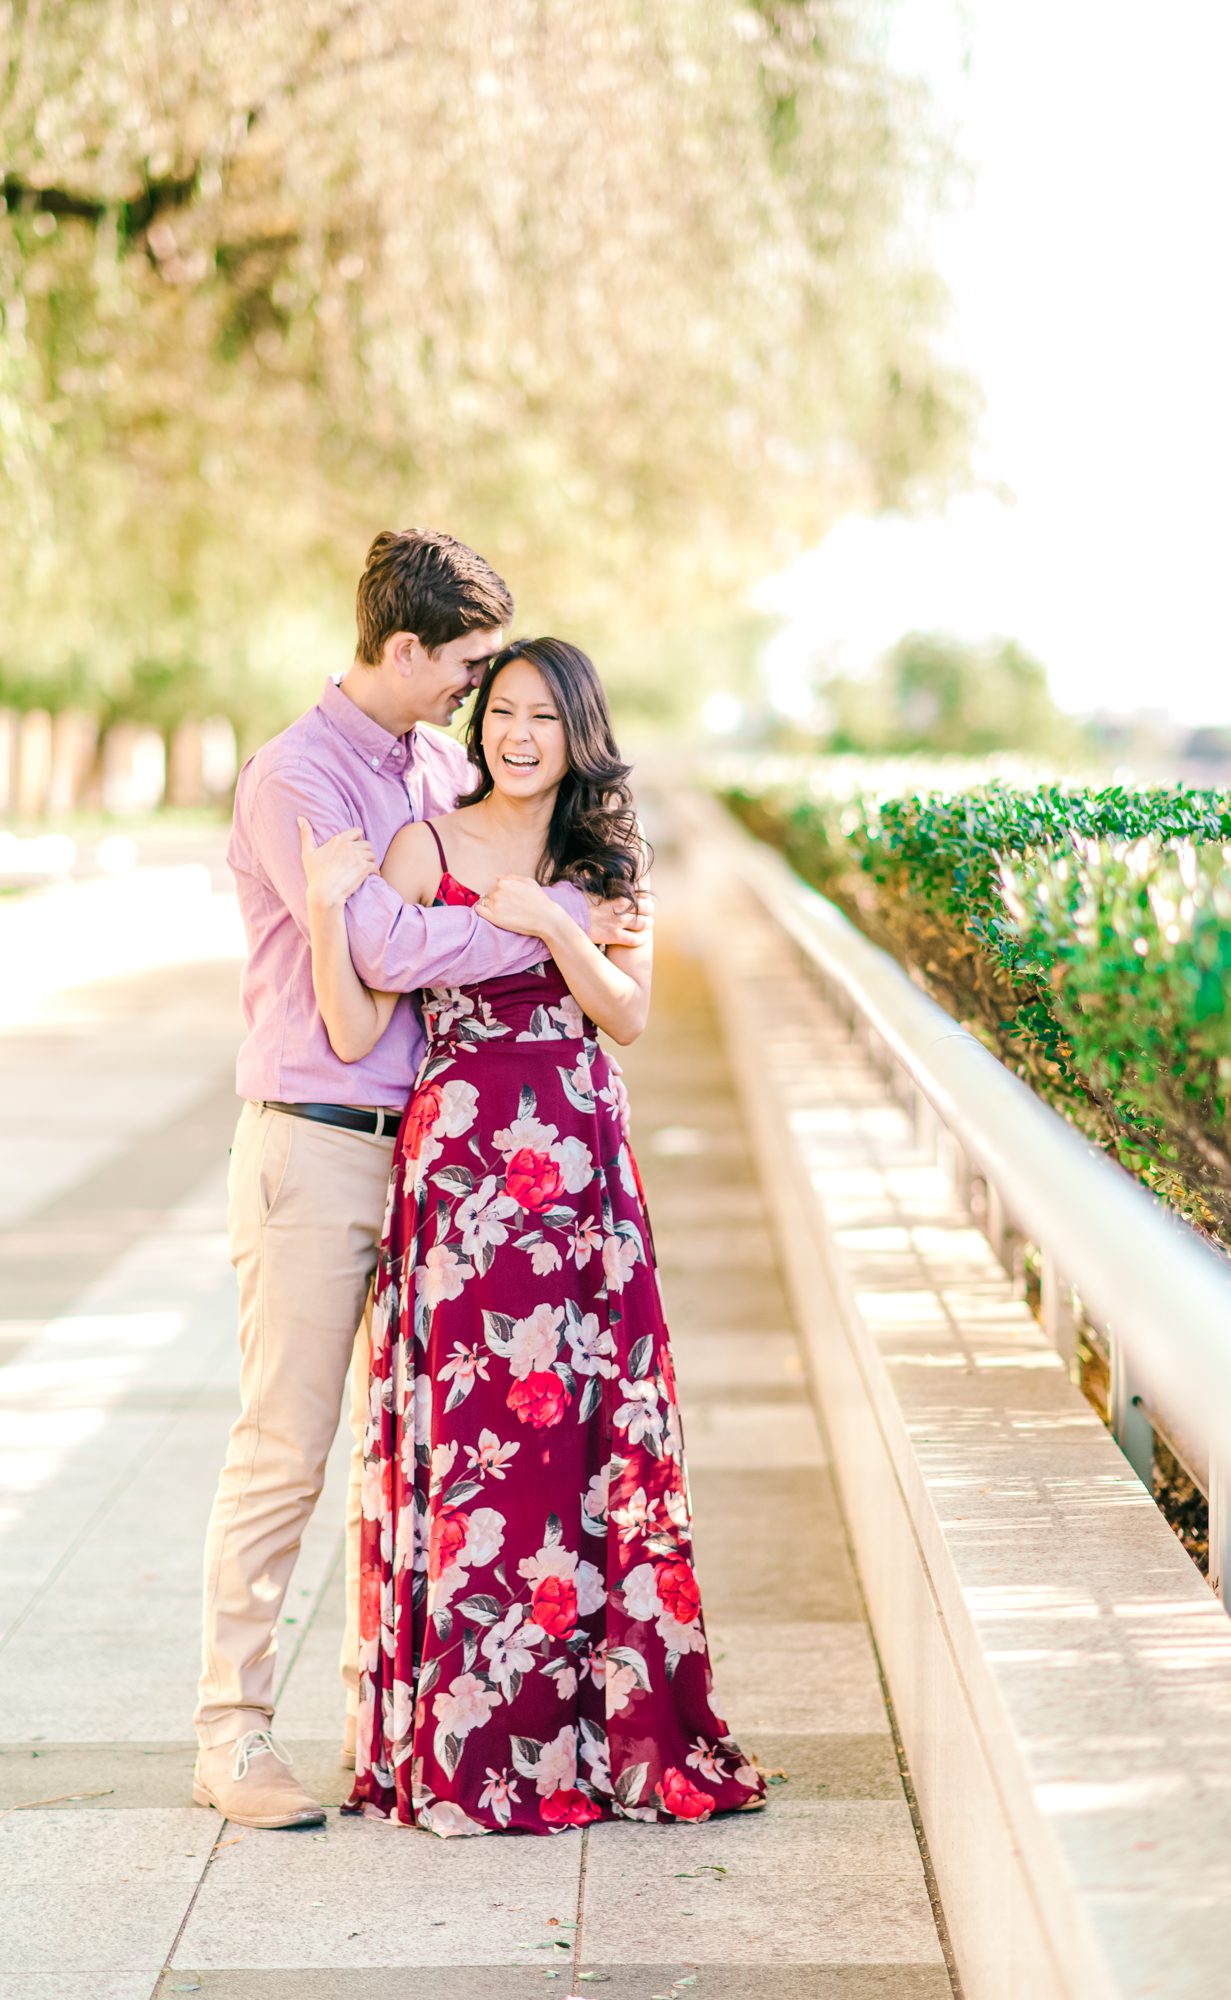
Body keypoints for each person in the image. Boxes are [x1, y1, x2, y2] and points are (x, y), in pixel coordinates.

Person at [193, 532, 643, 1832]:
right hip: (322, 1140)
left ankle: (384, 1718)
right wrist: (557, 925)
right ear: (405, 648)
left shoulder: (438, 766)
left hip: (451, 1163)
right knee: (286, 1446)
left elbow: (459, 886)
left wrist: (543, 912)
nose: (476, 691)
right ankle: (231, 1733)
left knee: (413, 1440)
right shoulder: (297, 777)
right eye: (464, 666)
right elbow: (384, 951)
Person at [300, 636, 764, 1835]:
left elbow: (630, 1013)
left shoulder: (609, 858)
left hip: (581, 1173)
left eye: (543, 718)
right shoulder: (424, 845)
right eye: (501, 711)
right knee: (478, 1449)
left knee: (589, 1437)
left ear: (578, 733)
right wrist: (326, 909)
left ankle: (600, 1739)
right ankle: (475, 1750)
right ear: (480, 724)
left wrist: (555, 925)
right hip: (461, 1181)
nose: (516, 734)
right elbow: (353, 1025)